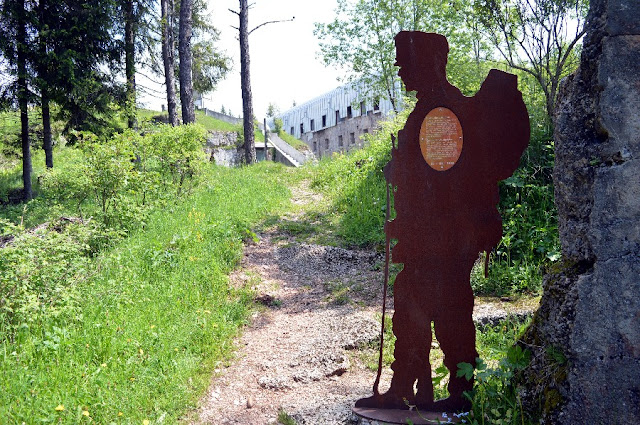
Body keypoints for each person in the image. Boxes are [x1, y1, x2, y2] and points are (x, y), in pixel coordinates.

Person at [356, 31, 529, 412]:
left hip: (445, 239)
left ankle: (457, 394)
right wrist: (401, 173)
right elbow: (431, 175)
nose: (401, 69)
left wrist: (405, 178)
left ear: (432, 62)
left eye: (407, 61)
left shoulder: (442, 112)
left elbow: (442, 181)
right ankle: (411, 388)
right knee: (416, 304)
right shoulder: (434, 109)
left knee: (446, 308)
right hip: (434, 236)